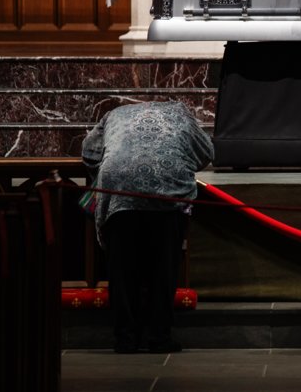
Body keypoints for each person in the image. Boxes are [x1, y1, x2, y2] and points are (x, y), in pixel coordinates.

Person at [81, 101, 214, 354]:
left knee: (121, 269)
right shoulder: (181, 113)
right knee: (164, 267)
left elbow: (89, 151)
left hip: (119, 187)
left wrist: (100, 174)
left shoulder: (114, 114)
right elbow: (206, 152)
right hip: (168, 187)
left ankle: (125, 338)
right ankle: (158, 337)